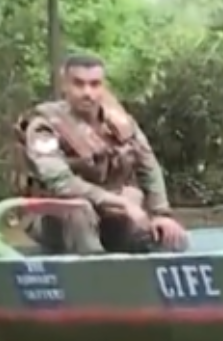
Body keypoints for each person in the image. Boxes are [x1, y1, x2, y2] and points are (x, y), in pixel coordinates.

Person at [13, 54, 187, 254]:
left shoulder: (120, 123)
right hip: (55, 216)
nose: (88, 92)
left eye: (95, 84)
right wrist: (118, 202)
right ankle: (95, 272)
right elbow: (61, 183)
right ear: (65, 86)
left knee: (167, 239)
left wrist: (161, 213)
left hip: (109, 213)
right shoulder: (44, 127)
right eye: (79, 84)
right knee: (79, 212)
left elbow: (148, 165)